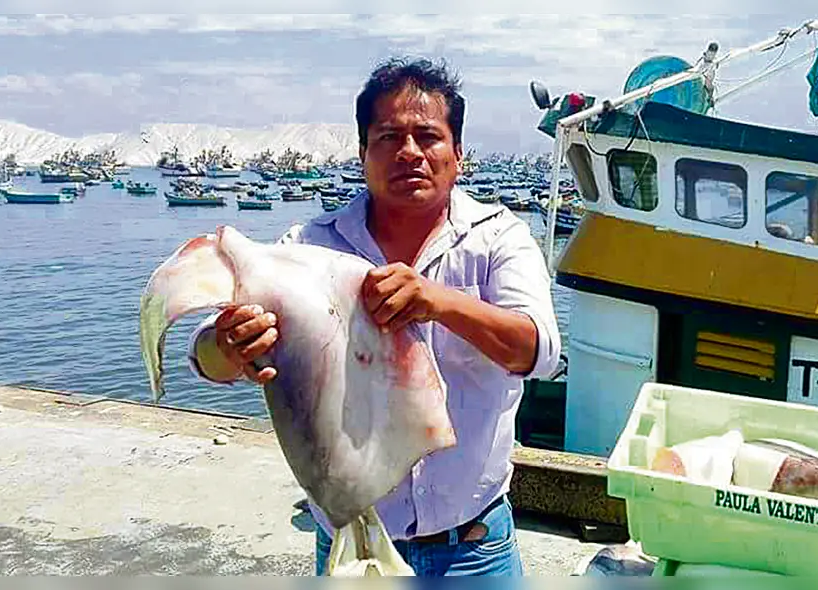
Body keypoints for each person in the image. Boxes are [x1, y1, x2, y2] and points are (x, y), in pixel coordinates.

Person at [185, 56, 562, 577]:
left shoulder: (499, 238)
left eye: (428, 136)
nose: (409, 152)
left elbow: (539, 352)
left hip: (473, 550)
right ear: (363, 152)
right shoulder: (309, 247)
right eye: (388, 137)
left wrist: (438, 301)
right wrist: (229, 346)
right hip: (350, 544)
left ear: (457, 154)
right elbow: (206, 358)